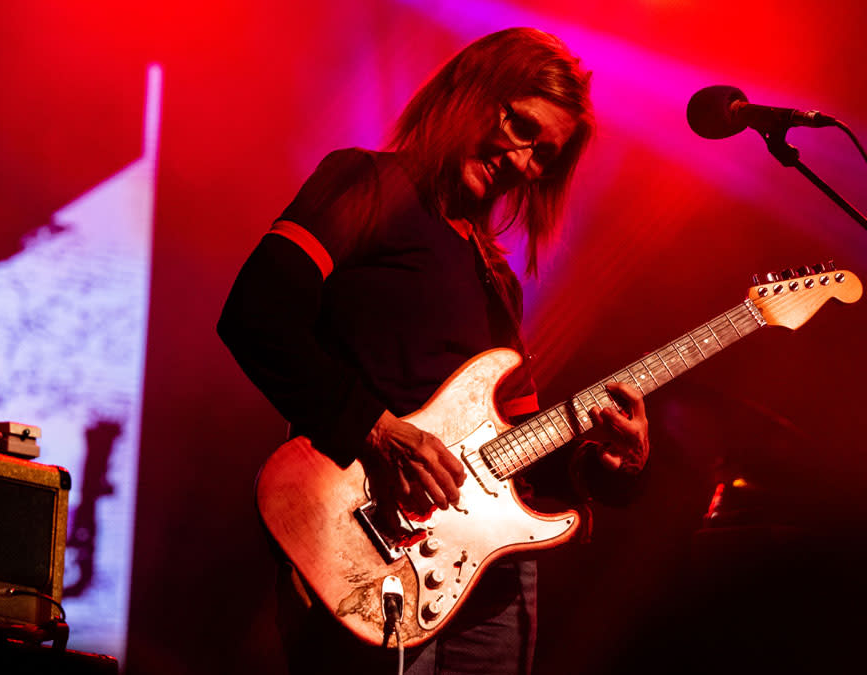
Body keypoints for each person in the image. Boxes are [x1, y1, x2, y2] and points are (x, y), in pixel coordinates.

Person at [218, 27, 650, 674]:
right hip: (372, 542)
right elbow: (256, 314)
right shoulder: (367, 183)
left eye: (545, 156)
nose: (523, 161)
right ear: (474, 89)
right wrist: (378, 429)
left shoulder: (496, 278)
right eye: (519, 126)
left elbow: (519, 458)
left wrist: (609, 463)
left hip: (486, 578)